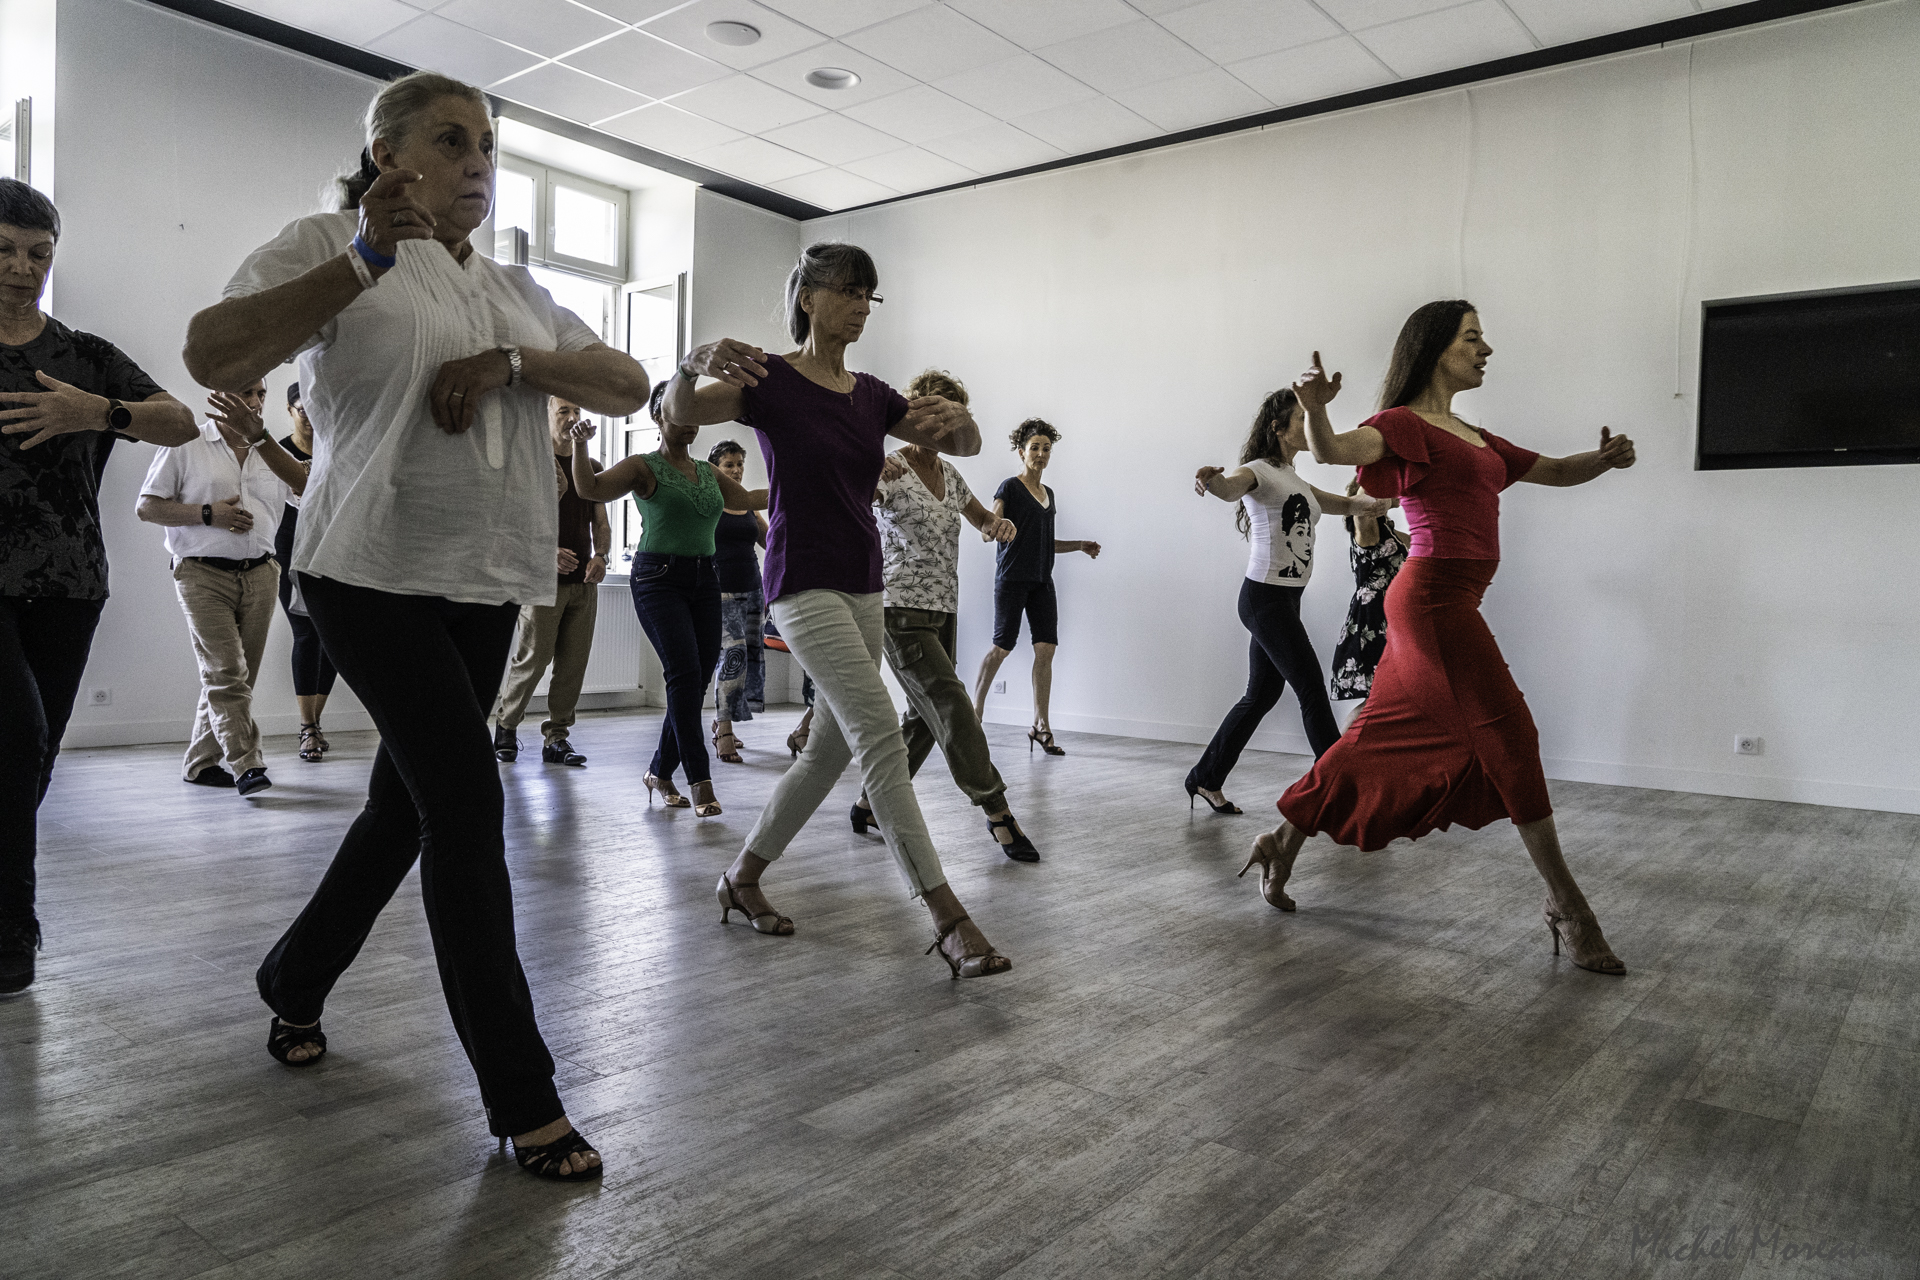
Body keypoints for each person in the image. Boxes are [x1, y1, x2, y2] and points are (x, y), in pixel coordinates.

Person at [184, 70, 650, 1179]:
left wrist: (516, 361)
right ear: (390, 153)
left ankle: (294, 979)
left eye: (489, 142)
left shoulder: (518, 288)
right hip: (363, 570)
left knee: (408, 810)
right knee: (466, 797)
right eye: (453, 139)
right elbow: (216, 356)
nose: (479, 160)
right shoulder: (322, 240)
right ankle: (521, 1094)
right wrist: (361, 259)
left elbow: (628, 381)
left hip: (483, 579)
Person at [1243, 310, 1636, 978]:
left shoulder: (1479, 440)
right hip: (1432, 603)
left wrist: (1603, 460)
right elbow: (1336, 451)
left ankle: (1280, 844)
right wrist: (1312, 411)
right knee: (1511, 735)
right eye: (1471, 337)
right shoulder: (1402, 426)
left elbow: (1559, 470)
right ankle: (1568, 905)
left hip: (1447, 601)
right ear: (1433, 350)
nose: (1486, 348)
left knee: (1369, 742)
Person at [664, 240, 1012, 979]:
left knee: (827, 749)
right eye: (849, 290)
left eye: (869, 295)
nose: (861, 305)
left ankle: (742, 877)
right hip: (800, 582)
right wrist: (693, 362)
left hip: (865, 582)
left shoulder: (873, 395)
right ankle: (949, 917)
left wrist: (961, 419)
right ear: (808, 297)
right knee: (880, 731)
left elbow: (968, 444)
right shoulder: (770, 379)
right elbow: (678, 409)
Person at [0, 178, 197, 993]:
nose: (22, 268)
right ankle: (14, 926)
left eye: (38, 254)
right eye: (5, 251)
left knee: (32, 755)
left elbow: (180, 419)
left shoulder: (85, 356)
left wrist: (98, 413)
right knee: (14, 737)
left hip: (70, 580)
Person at [849, 368, 1040, 862]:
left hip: (942, 610)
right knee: (953, 706)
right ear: (913, 415)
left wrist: (1000, 526)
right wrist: (868, 468)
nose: (940, 430)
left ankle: (870, 802)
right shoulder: (889, 467)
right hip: (899, 610)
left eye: (949, 420)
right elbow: (851, 499)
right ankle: (997, 811)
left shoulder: (950, 475)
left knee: (921, 717)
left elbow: (982, 520)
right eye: (931, 416)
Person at [1186, 388, 1388, 815]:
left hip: (1284, 602)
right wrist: (1212, 480)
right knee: (1311, 690)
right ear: (1278, 429)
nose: (1309, 427)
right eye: (1301, 419)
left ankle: (1205, 778)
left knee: (1260, 695)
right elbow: (1229, 488)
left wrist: (1399, 496)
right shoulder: (1256, 470)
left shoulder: (1296, 480)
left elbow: (1351, 504)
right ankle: (1341, 789)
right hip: (1263, 599)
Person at [568, 381, 764, 815]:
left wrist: (808, 485)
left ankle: (659, 771)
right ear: (659, 416)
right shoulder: (643, 466)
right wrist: (580, 447)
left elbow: (750, 498)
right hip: (658, 579)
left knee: (698, 676)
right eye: (682, 412)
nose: (692, 422)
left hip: (705, 579)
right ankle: (700, 780)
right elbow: (589, 489)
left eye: (696, 414)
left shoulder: (708, 471)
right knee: (682, 674)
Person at [136, 379, 308, 797]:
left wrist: (261, 438)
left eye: (261, 394)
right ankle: (247, 764)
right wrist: (208, 514)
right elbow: (148, 506)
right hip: (200, 573)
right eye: (245, 393)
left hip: (262, 573)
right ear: (221, 396)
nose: (254, 402)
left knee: (233, 677)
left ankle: (199, 762)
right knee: (225, 672)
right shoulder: (187, 443)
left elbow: (305, 487)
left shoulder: (272, 452)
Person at [490, 395, 611, 768]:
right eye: (564, 411)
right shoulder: (529, 463)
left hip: (583, 584)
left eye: (578, 410)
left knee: (572, 666)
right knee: (533, 659)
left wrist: (601, 557)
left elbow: (601, 522)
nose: (573, 417)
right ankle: (506, 728)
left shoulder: (589, 465)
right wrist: (545, 554)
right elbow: (509, 522)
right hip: (540, 581)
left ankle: (557, 737)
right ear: (546, 416)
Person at [970, 419, 1100, 756]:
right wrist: (998, 526)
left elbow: (1043, 542)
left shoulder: (1048, 494)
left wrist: (1080, 544)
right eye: (1034, 448)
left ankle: (1041, 726)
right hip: (1012, 579)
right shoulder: (1009, 488)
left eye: (1046, 448)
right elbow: (987, 530)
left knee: (1046, 650)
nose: (1040, 454)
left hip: (1042, 581)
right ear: (1021, 452)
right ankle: (974, 718)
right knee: (1001, 647)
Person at [273, 383, 337, 762]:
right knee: (305, 633)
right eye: (302, 411)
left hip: (330, 551)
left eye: (316, 410)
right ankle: (306, 727)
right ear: (289, 410)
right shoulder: (278, 452)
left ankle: (315, 722)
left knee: (331, 638)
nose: (310, 419)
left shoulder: (335, 448)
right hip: (289, 551)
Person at [707, 438, 767, 763]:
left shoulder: (746, 502)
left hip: (753, 589)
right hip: (719, 589)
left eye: (740, 464)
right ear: (715, 467)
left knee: (750, 657)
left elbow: (769, 539)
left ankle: (722, 720)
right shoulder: (708, 499)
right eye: (729, 464)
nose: (736, 470)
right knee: (734, 655)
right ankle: (726, 731)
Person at [1328, 479, 1409, 703]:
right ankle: (1346, 740)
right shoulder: (1366, 527)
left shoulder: (1389, 533)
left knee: (1386, 699)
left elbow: (1426, 543)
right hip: (1372, 618)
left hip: (1390, 617)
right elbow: (1367, 492)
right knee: (1375, 700)